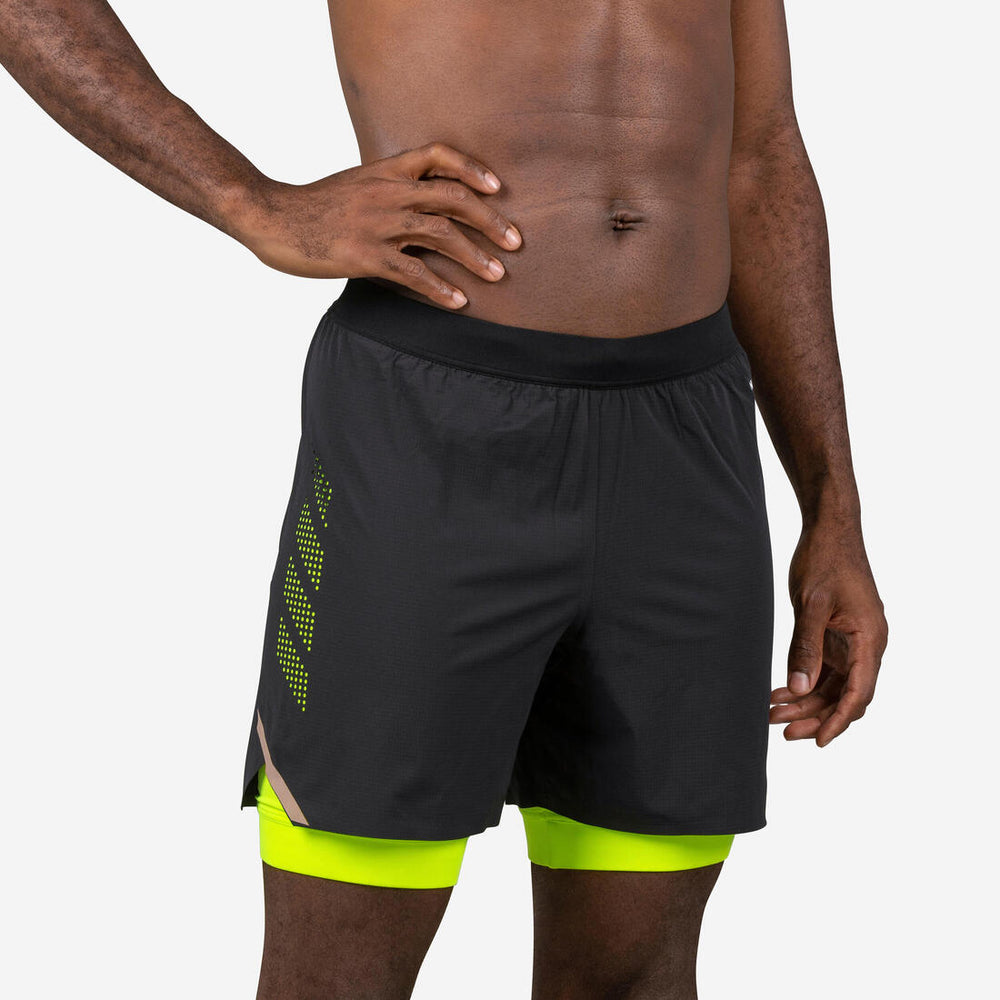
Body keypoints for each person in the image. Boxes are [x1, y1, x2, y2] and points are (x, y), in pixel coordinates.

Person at [1, 1, 889, 997]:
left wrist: (833, 507)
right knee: (339, 980)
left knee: (639, 974)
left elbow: (760, 156)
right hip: (429, 427)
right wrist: (251, 202)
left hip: (685, 448)